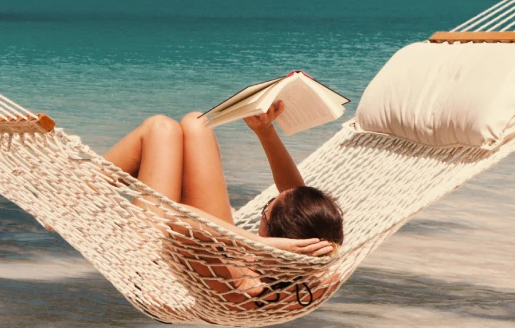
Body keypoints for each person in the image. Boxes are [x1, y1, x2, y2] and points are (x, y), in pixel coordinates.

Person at [103, 101, 342, 257]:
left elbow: (179, 217)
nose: (275, 197)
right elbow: (295, 198)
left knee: (159, 128)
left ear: (273, 238)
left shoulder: (244, 283)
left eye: (266, 208)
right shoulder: (311, 261)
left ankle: (80, 191)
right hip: (211, 242)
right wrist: (265, 131)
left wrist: (262, 244)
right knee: (197, 122)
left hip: (151, 246)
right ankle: (80, 188)